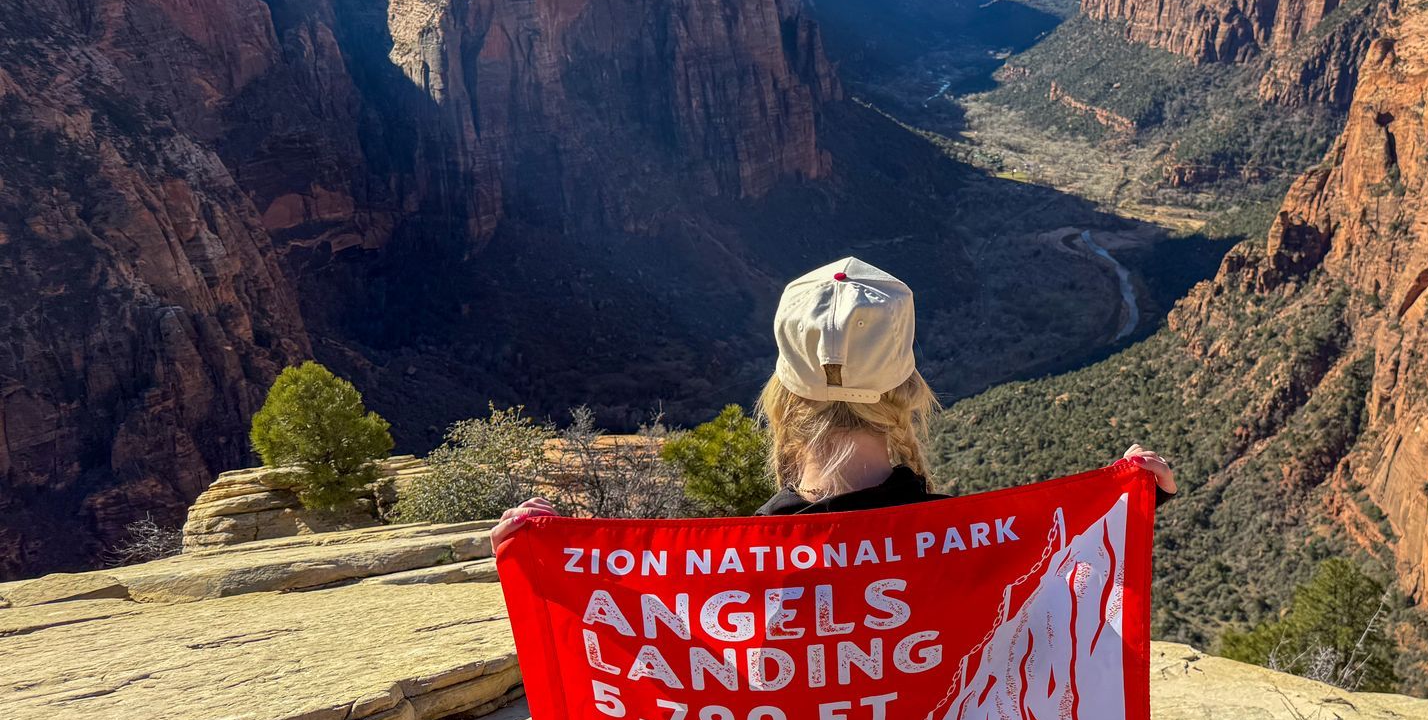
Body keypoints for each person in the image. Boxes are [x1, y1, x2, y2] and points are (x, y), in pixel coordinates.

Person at [490, 256, 1174, 550]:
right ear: (909, 392)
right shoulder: (967, 540)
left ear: (782, 396)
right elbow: (1078, 596)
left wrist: (541, 566)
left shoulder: (740, 560)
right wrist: (1138, 501)